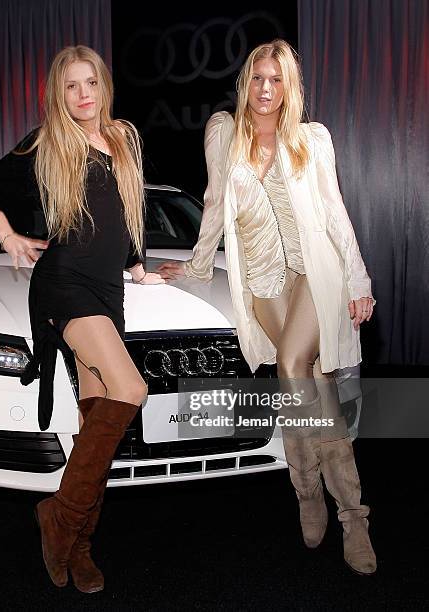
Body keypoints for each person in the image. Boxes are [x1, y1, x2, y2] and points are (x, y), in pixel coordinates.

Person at [157, 39, 377, 575]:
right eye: (258, 77)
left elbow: (335, 213)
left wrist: (358, 278)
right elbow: (212, 205)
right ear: (245, 82)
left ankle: (347, 516)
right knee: (310, 385)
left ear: (289, 87)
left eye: (276, 80)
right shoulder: (223, 133)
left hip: (313, 274)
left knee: (293, 366)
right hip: (260, 278)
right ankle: (318, 498)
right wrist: (196, 266)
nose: (265, 89)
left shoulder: (311, 139)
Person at [0, 45, 164, 593]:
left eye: (91, 83)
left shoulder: (123, 139)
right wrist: (9, 236)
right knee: (130, 388)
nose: (83, 95)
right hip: (63, 284)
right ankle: (58, 515)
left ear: (104, 86)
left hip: (107, 289)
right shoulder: (49, 141)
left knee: (94, 420)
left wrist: (137, 268)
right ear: (59, 94)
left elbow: (127, 214)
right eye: (71, 86)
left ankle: (78, 543)